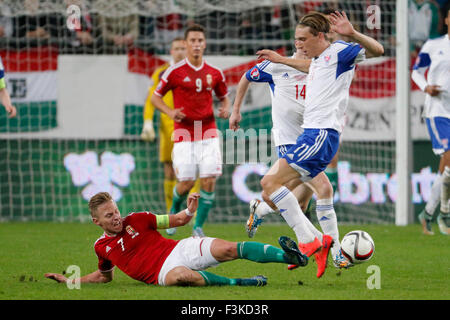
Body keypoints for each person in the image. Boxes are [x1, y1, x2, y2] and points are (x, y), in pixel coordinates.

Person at [255, 11, 384, 278]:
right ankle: (331, 248)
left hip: (320, 135)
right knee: (319, 188)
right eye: (296, 39)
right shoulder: (320, 60)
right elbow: (310, 68)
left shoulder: (341, 51)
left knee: (269, 185)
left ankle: (312, 241)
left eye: (303, 39)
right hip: (311, 136)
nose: (299, 44)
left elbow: (378, 50)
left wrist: (353, 33)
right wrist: (281, 60)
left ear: (320, 36)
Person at [229, 46, 347, 273]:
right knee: (324, 189)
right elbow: (246, 77)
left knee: (295, 202)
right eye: (299, 41)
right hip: (290, 142)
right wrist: (236, 111)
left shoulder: (319, 68)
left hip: (311, 140)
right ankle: (335, 252)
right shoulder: (276, 65)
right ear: (296, 44)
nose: (304, 46)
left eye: (306, 41)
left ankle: (261, 210)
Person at [44, 191, 307, 287]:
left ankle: (291, 257)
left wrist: (190, 210)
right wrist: (71, 281)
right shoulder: (101, 247)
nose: (116, 217)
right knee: (182, 276)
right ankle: (242, 283)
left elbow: (178, 220)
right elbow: (104, 276)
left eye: (115, 211)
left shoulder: (138, 218)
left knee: (229, 248)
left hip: (180, 248)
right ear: (96, 221)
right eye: (108, 215)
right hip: (162, 272)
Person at [151, 24, 230, 237]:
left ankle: (198, 227)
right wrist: (169, 111)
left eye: (200, 41)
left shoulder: (214, 72)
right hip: (184, 133)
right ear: (186, 44)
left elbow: (224, 95)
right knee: (185, 183)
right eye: (192, 41)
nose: (196, 44)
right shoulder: (174, 72)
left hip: (208, 132)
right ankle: (174, 212)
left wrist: (226, 107)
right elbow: (155, 97)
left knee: (209, 180)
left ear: (204, 44)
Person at [141, 37, 200, 235]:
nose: (180, 52)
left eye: (183, 48)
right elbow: (151, 99)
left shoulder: (195, 71)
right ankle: (171, 214)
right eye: (176, 48)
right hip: (168, 128)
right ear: (170, 51)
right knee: (169, 171)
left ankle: (194, 214)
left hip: (191, 127)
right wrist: (148, 122)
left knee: (193, 170)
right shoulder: (161, 73)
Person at [412, 7, 450, 236]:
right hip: (438, 110)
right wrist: (425, 86)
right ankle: (445, 213)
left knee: (446, 168)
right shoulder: (434, 45)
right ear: (446, 19)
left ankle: (428, 213)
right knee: (448, 157)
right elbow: (417, 71)